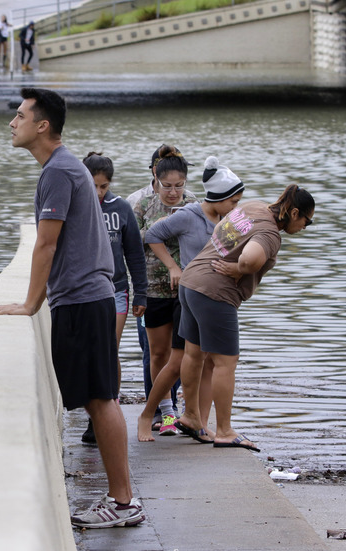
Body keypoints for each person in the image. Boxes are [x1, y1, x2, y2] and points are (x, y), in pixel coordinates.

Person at [0, 88, 143, 528]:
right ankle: (122, 500)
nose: (12, 122)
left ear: (42, 125)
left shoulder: (59, 170)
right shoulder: (66, 167)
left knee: (101, 400)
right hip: (88, 297)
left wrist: (29, 303)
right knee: (100, 399)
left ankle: (123, 503)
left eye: (19, 116)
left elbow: (47, 243)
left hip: (81, 298)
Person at [174, 185, 315, 452]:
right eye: (306, 221)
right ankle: (225, 431)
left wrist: (230, 259)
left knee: (194, 354)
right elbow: (251, 259)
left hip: (191, 281)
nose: (305, 227)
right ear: (294, 212)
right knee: (225, 362)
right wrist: (238, 268)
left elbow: (220, 229)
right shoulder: (270, 233)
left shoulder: (253, 206)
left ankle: (191, 417)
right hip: (215, 292)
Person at [136, 156, 245, 442]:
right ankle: (149, 414)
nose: (237, 208)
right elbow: (152, 235)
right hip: (188, 295)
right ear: (219, 197)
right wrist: (174, 267)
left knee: (210, 362)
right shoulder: (189, 214)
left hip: (214, 299)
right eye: (233, 202)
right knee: (177, 361)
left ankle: (198, 421)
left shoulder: (228, 222)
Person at [80, 153, 147, 445]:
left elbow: (134, 253)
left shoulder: (120, 209)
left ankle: (107, 412)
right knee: (88, 352)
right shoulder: (74, 207)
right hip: (81, 291)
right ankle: (93, 411)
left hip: (116, 289)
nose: (98, 192)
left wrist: (141, 292)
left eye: (104, 186)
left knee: (108, 350)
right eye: (93, 185)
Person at [127, 147, 196, 431]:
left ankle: (177, 408)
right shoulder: (142, 203)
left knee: (181, 353)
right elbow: (129, 240)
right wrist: (163, 229)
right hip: (152, 289)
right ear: (155, 178)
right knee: (156, 353)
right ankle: (162, 410)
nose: (173, 192)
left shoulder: (193, 204)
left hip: (185, 290)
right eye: (167, 186)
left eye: (179, 186)